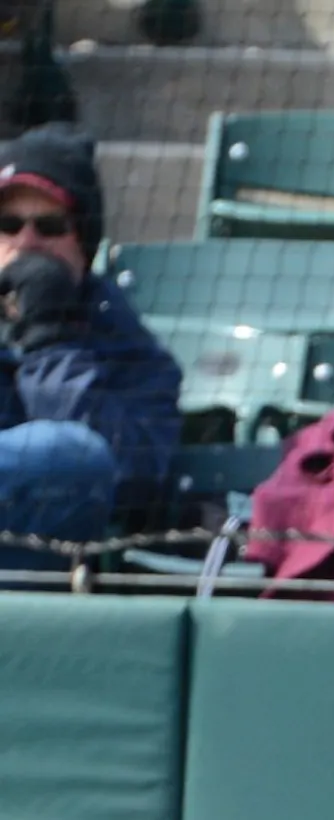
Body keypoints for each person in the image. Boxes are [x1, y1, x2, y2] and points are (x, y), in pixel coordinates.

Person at [0, 122, 182, 578]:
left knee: (67, 453)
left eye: (50, 225)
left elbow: (128, 475)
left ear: (84, 242)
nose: (26, 242)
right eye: (7, 224)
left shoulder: (132, 352)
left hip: (31, 578)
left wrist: (48, 343)